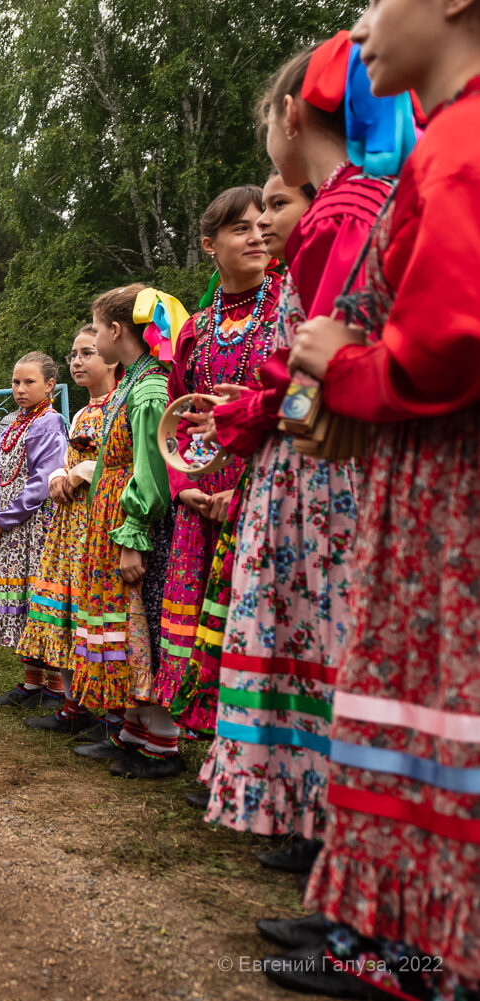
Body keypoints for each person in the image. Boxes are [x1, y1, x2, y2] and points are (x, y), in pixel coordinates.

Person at [280, 6, 480, 993]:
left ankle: (422, 949)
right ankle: (411, 936)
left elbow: (453, 334)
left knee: (437, 701)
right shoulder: (444, 140)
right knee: (424, 706)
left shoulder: (461, 145)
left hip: (447, 470)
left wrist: (350, 367)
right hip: (426, 465)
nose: (358, 25)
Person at [184, 41, 399, 884]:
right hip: (311, 459)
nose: (266, 218)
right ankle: (317, 821)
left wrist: (244, 411)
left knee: (321, 635)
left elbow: (321, 354)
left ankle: (331, 827)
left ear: (289, 119)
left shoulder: (342, 215)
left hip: (324, 469)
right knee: (312, 638)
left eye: (272, 202)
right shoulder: (351, 207)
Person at [150, 188, 282, 748]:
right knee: (196, 623)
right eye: (240, 228)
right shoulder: (195, 330)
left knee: (257, 622)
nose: (256, 235)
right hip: (202, 498)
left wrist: (248, 483)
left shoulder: (289, 311)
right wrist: (184, 490)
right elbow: (179, 419)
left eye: (263, 224)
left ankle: (257, 753)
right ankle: (209, 751)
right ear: (210, 245)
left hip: (269, 489)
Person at [70, 286, 179, 779]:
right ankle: (134, 729)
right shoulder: (135, 382)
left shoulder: (150, 388)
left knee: (141, 623)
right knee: (121, 620)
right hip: (110, 518)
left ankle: (162, 741)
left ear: (116, 331)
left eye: (95, 329)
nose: (92, 338)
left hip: (130, 524)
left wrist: (133, 534)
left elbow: (152, 467)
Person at [19, 325, 117, 733]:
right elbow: (67, 456)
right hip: (68, 525)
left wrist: (76, 473)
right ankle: (73, 706)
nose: (77, 360)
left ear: (112, 357)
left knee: (94, 617)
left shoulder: (120, 405)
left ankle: (109, 711)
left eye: (87, 353)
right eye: (74, 353)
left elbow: (118, 462)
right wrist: (61, 474)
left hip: (99, 522)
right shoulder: (82, 411)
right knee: (63, 614)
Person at [0, 352, 68, 704]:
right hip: (15, 528)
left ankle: (55, 688)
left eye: (29, 382)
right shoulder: (17, 422)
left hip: (35, 528)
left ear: (49, 385)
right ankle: (32, 683)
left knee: (40, 602)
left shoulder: (49, 422)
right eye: (16, 382)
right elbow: (2, 473)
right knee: (24, 603)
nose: (21, 389)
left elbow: (43, 481)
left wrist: (3, 519)